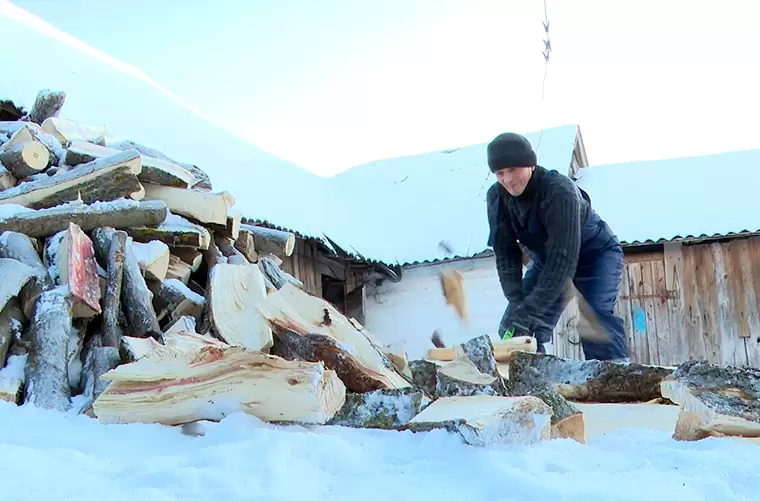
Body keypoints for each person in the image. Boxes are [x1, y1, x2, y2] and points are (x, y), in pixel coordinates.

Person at [485, 132, 628, 361]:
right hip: (547, 261)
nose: (507, 180)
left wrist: (530, 310)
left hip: (594, 255)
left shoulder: (558, 190)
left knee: (595, 321)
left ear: (530, 164)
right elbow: (506, 253)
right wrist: (517, 302)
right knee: (514, 326)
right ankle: (534, 381)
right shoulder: (497, 198)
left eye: (513, 170)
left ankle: (617, 382)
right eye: (500, 173)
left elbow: (563, 263)